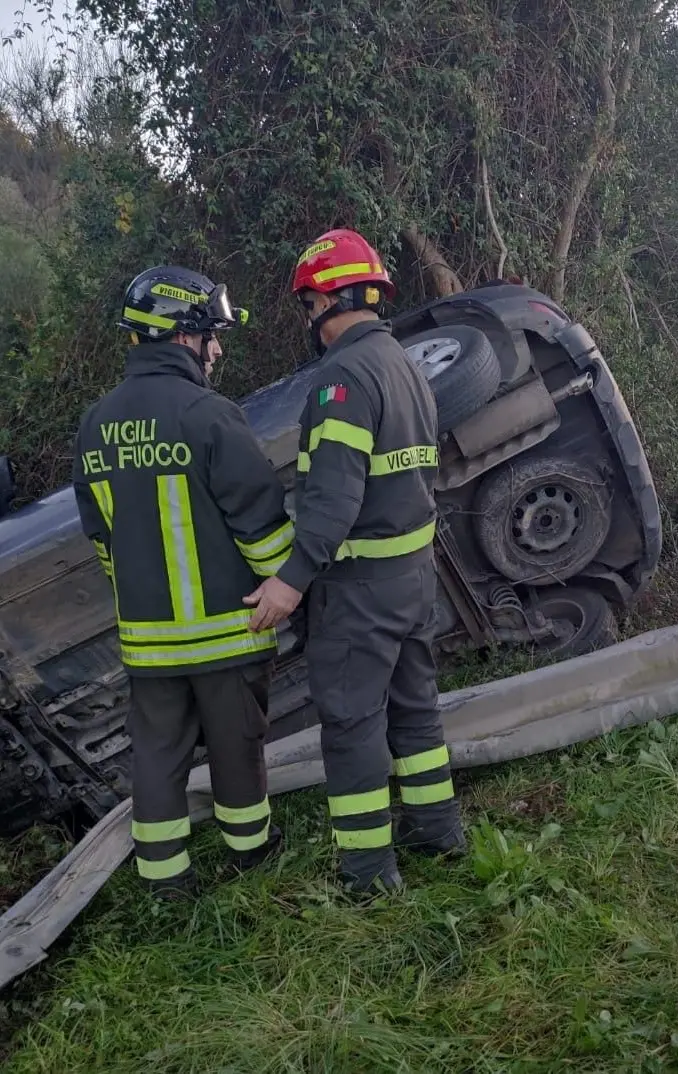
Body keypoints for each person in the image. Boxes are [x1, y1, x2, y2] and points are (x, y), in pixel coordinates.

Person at [244, 228, 464, 895]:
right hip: (411, 578)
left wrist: (289, 582)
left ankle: (369, 875)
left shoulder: (341, 379)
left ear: (324, 300)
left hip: (359, 586)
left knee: (352, 725)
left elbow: (334, 499)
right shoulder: (404, 365)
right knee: (416, 708)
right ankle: (439, 833)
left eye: (307, 306)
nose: (309, 320)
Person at [72, 266, 295, 898]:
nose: (217, 349)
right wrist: (290, 583)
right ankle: (252, 857)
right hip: (229, 631)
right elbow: (261, 521)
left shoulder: (94, 425)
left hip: (148, 641)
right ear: (180, 336)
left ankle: (165, 882)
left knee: (157, 759)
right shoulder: (207, 414)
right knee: (237, 749)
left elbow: (102, 537)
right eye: (210, 336)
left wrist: (143, 597)